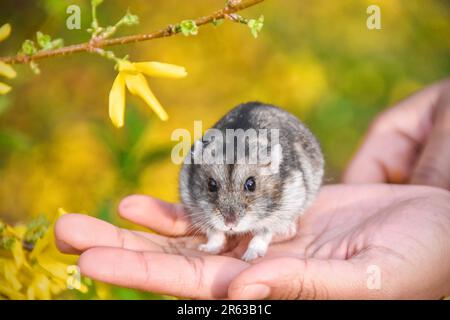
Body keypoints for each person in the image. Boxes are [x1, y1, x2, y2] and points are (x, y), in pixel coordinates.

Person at [55, 79, 450, 299]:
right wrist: (212, 232)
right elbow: (204, 193)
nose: (230, 210)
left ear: (267, 170)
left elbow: (289, 183)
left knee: (264, 214)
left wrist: (264, 233)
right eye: (212, 187)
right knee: (218, 210)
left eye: (247, 187)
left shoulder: (279, 173)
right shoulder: (200, 165)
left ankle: (266, 232)